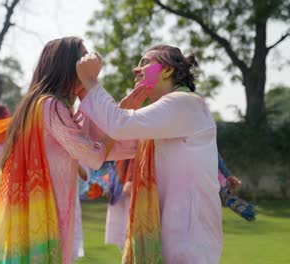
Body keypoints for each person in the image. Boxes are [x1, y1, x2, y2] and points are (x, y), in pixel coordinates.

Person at [0, 37, 114, 264]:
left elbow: (88, 136)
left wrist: (86, 91)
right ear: (68, 65)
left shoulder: (38, 104)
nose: (89, 62)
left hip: (32, 210)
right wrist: (115, 128)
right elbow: (93, 156)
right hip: (43, 214)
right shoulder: (51, 106)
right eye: (83, 58)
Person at [76, 45, 223, 263]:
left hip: (189, 238)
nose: (136, 69)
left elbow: (120, 125)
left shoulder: (186, 103)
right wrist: (117, 107)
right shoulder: (159, 120)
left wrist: (90, 83)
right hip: (169, 235)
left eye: (145, 62)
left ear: (167, 70)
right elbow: (103, 149)